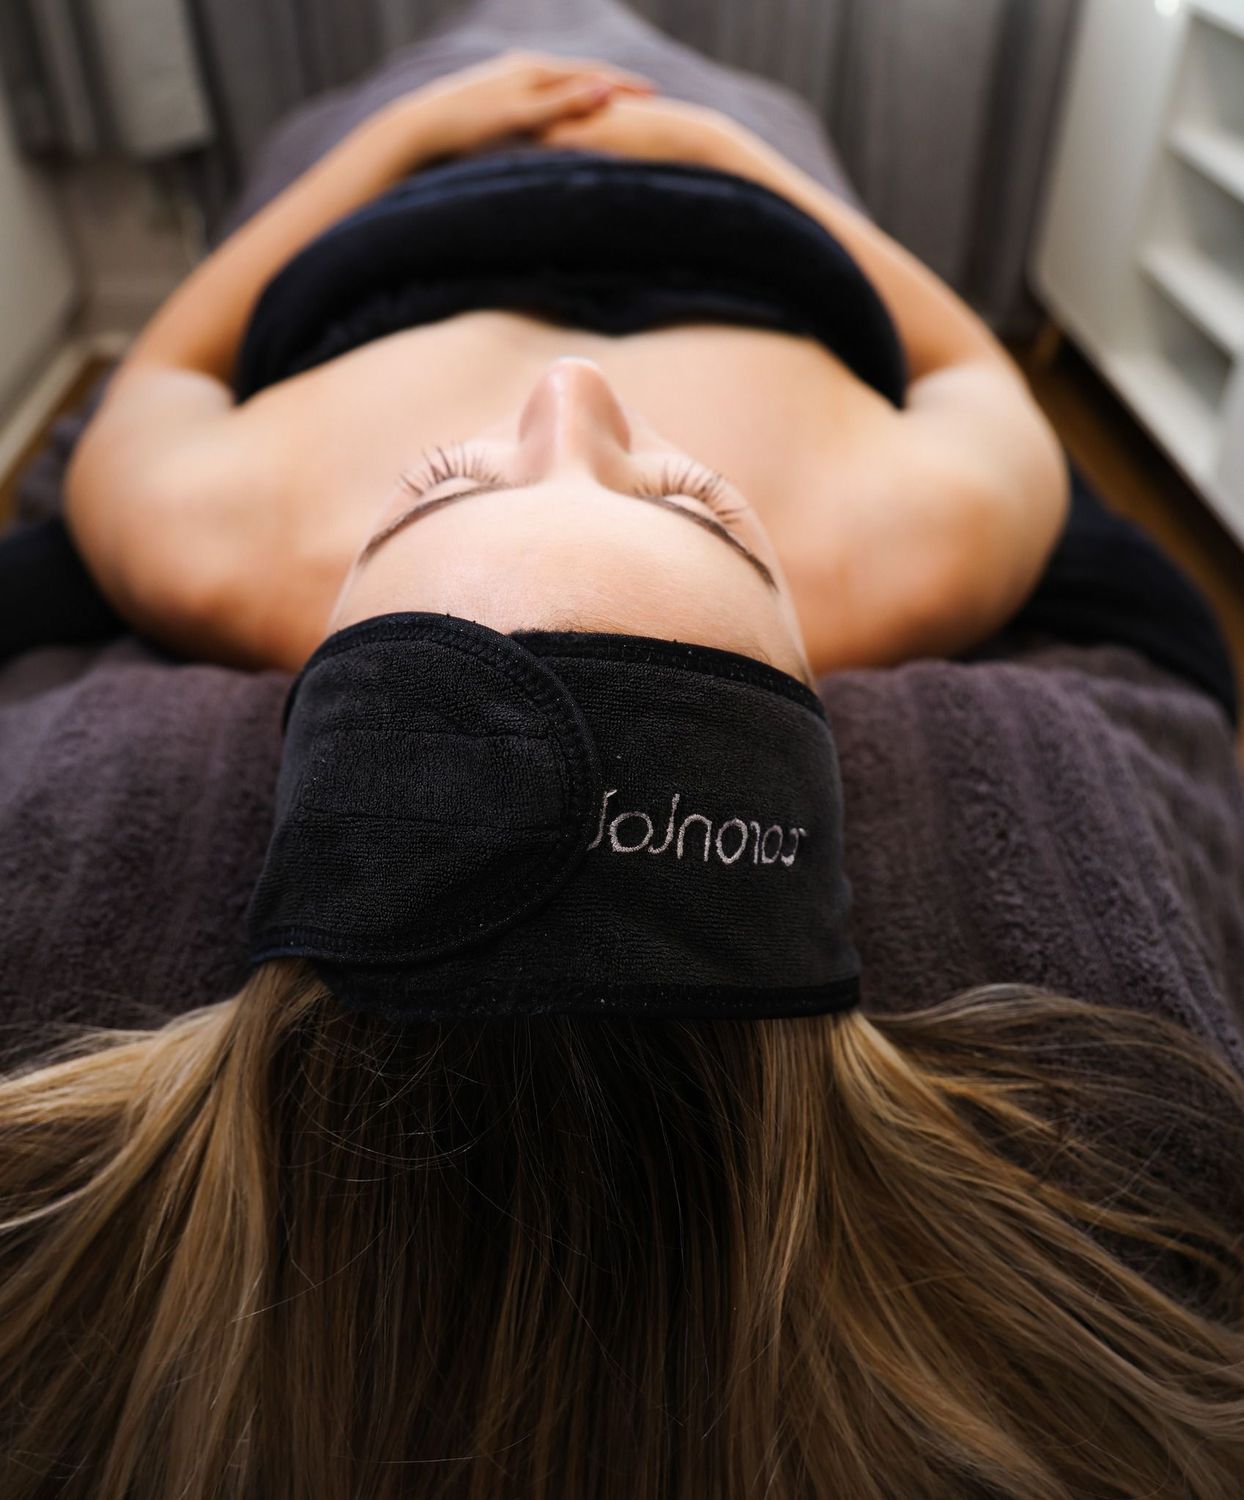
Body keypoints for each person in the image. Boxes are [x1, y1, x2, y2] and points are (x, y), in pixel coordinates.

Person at [1, 36, 1243, 1500]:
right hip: (746, 238)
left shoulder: (210, 539)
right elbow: (970, 359)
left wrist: (401, 137)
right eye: (701, 503)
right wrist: (736, 158)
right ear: (809, 672)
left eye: (442, 483)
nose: (571, 397)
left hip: (393, 244)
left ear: (319, 653)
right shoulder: (914, 540)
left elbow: (171, 364)